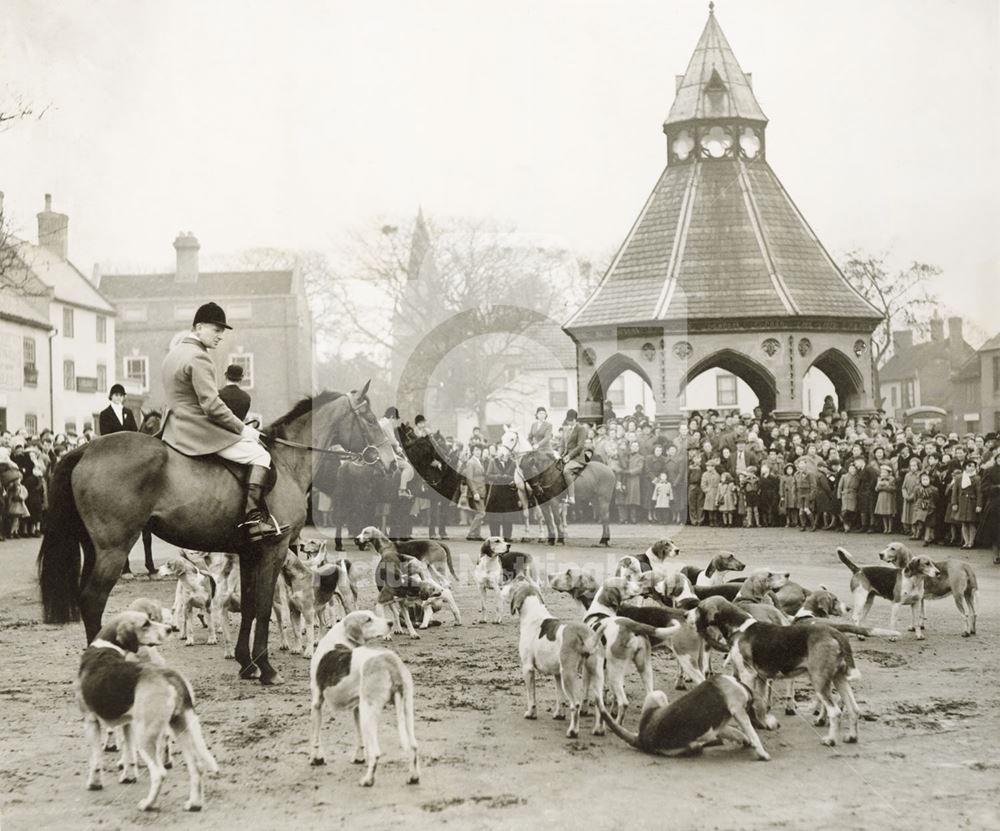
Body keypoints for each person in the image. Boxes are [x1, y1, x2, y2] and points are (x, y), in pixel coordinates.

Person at [160, 302, 281, 541]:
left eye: (222, 332)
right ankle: (252, 518)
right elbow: (212, 406)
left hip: (173, 428)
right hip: (198, 429)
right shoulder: (199, 357)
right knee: (261, 456)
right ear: (199, 326)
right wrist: (243, 429)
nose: (220, 337)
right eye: (216, 330)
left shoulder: (173, 354)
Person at [560, 409, 589, 504]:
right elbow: (563, 444)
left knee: (566, 471)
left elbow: (580, 446)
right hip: (566, 456)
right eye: (568, 420)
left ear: (575, 419)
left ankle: (572, 497)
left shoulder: (581, 429)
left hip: (577, 458)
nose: (569, 422)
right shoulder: (566, 429)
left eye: (571, 420)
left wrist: (569, 456)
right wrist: (559, 454)